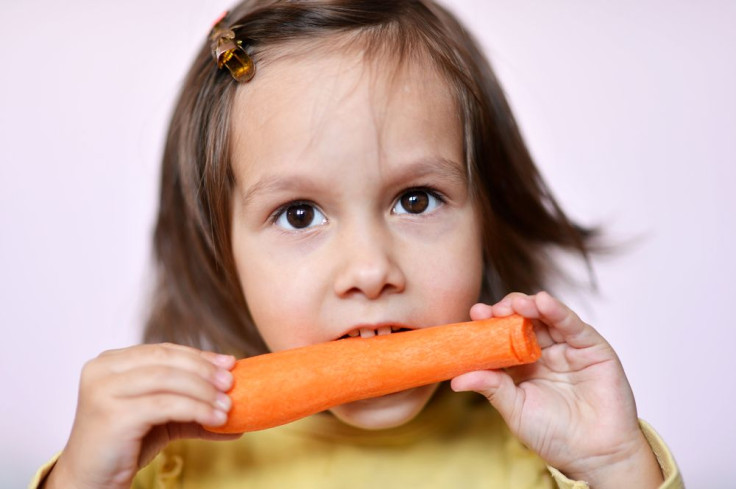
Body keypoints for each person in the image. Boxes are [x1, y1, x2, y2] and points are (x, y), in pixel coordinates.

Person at [32, 1, 684, 488]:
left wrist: (617, 464)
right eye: (298, 213)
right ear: (219, 250)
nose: (371, 270)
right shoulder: (169, 457)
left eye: (416, 199)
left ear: (490, 213)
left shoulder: (544, 450)